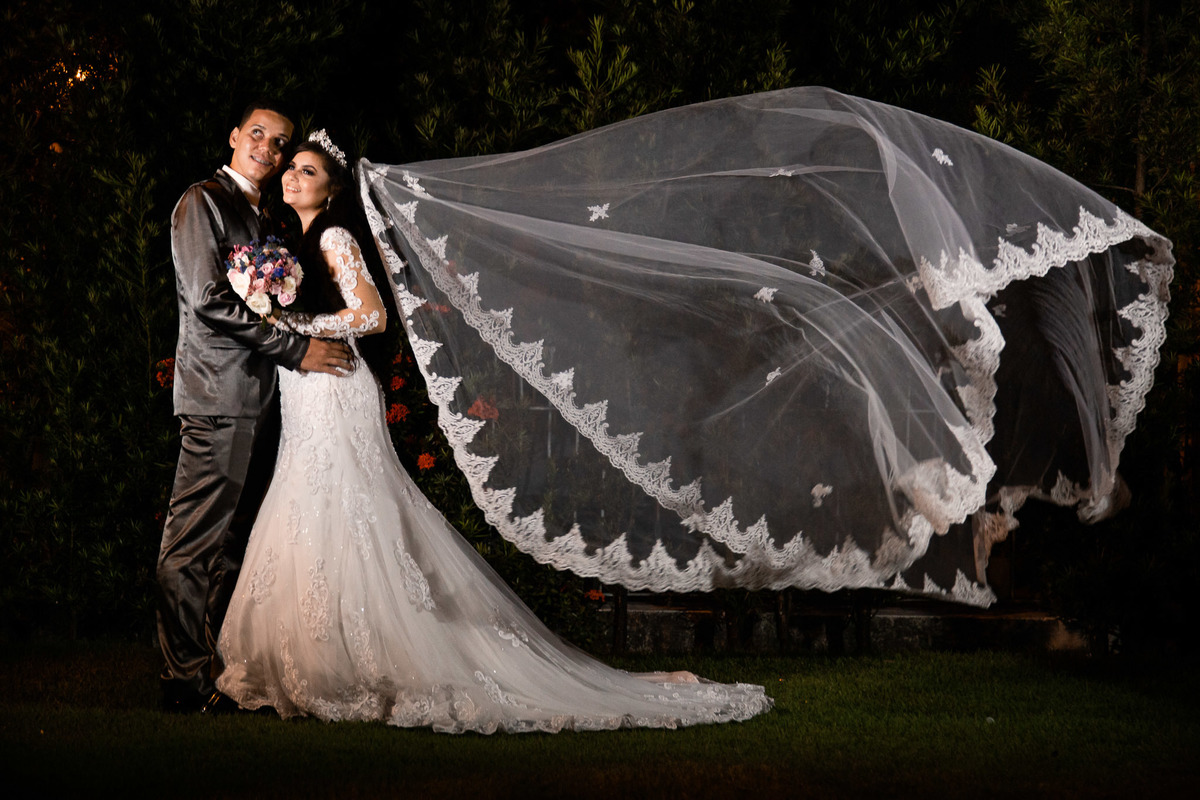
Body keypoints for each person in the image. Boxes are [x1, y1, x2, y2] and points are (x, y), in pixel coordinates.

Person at [215, 131, 773, 732]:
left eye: (308, 171)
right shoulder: (286, 242)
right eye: (291, 169)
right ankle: (309, 649)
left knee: (344, 503)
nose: (293, 177)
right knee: (305, 500)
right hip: (303, 391)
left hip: (335, 386)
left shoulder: (332, 235)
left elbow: (372, 315)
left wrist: (300, 323)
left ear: (331, 190)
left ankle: (363, 654)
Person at [158, 102, 356, 714]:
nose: (269, 149)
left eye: (281, 143)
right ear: (235, 136)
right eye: (259, 136)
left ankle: (216, 665)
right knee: (190, 542)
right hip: (218, 394)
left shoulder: (261, 212)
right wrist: (297, 349)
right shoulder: (203, 201)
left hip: (260, 397)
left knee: (226, 543)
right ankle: (182, 679)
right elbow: (211, 299)